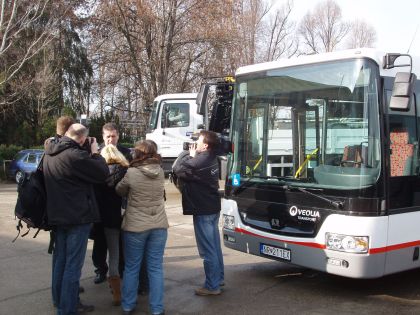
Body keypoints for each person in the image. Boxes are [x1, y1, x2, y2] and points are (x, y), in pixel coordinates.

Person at [43, 123, 109, 314]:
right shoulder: (75, 156)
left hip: (57, 215)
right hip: (77, 217)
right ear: (81, 138)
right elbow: (102, 173)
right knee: (73, 265)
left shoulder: (49, 152)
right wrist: (96, 153)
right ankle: (67, 309)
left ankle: (59, 300)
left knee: (60, 262)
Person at [116, 140, 168, 315]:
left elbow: (119, 190)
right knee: (155, 268)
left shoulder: (131, 172)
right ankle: (157, 308)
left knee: (132, 267)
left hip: (136, 226)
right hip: (159, 225)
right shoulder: (160, 171)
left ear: (137, 154)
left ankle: (128, 305)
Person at [173, 130, 224, 296]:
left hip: (203, 210)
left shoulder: (199, 160)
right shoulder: (212, 157)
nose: (195, 142)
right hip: (212, 207)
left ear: (206, 145)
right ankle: (219, 279)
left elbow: (177, 169)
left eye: (199, 140)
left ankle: (212, 286)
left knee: (207, 250)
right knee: (215, 247)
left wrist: (189, 154)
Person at [91, 122, 131, 284]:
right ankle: (100, 270)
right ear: (103, 137)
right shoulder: (96, 154)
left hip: (119, 206)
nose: (110, 140)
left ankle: (120, 271)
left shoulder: (126, 153)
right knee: (100, 243)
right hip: (99, 206)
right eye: (108, 136)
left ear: (118, 136)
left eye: (113, 136)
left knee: (120, 244)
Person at [94, 144, 129, 306]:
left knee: (111, 254)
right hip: (125, 218)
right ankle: (124, 290)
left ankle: (116, 292)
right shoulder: (125, 171)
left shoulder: (97, 174)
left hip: (104, 220)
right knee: (125, 255)